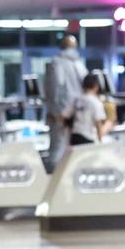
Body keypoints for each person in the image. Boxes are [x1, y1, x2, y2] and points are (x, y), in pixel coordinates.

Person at [45, 35, 87, 170]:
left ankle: (54, 176)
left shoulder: (57, 63)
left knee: (58, 144)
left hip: (61, 110)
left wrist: (53, 110)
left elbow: (55, 87)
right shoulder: (79, 63)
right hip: (78, 110)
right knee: (76, 143)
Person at [69, 73, 115, 145]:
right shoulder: (95, 102)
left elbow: (64, 117)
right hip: (87, 137)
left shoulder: (77, 100)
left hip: (74, 136)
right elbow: (98, 124)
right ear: (96, 86)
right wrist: (100, 140)